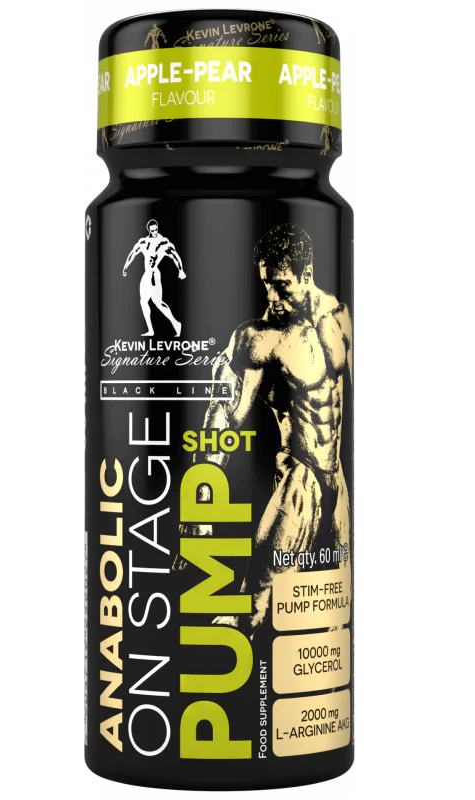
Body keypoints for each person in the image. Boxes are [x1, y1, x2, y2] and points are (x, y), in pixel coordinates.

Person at [175, 223, 353, 638]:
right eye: (266, 285)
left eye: (282, 285)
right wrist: (200, 506)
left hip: (339, 484)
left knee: (334, 618)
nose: (272, 297)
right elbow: (223, 417)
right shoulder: (258, 340)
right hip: (301, 478)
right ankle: (220, 666)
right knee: (253, 602)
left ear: (307, 274)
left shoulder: (339, 316)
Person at [122, 220, 186, 337]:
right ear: (149, 230)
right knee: (143, 301)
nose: (154, 232)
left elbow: (175, 256)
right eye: (152, 230)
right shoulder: (144, 242)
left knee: (158, 302)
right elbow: (133, 253)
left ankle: (176, 323)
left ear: (157, 228)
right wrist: (125, 266)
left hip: (154, 274)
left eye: (156, 229)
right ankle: (151, 330)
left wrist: (181, 270)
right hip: (146, 274)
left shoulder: (163, 243)